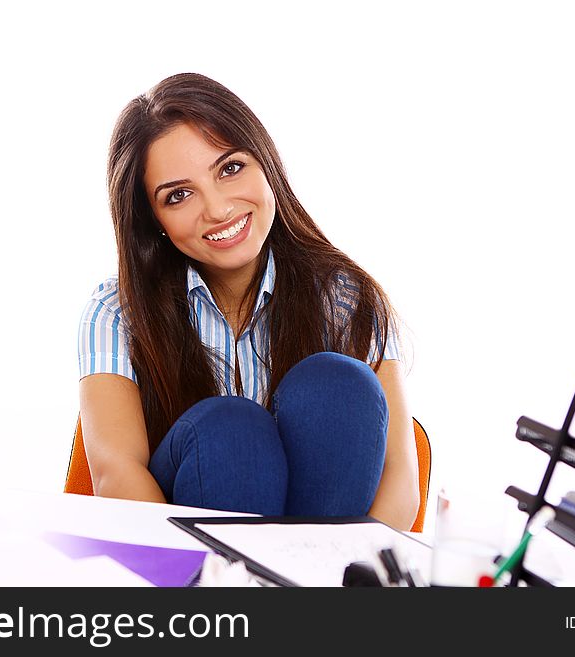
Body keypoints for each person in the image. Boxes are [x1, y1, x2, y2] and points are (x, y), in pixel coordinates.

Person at [78, 73, 419, 530]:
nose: (217, 209)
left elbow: (401, 482)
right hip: (187, 566)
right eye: (179, 195)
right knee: (230, 432)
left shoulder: (346, 298)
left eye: (230, 168)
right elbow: (116, 474)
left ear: (266, 164)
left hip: (326, 575)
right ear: (152, 218)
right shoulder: (118, 312)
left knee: (338, 386)